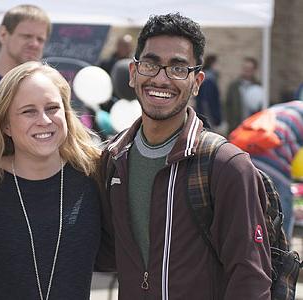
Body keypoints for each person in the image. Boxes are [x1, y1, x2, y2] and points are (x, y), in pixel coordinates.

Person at [97, 13, 271, 299]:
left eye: (178, 68)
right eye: (151, 65)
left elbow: (250, 278)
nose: (161, 78)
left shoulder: (226, 165)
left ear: (197, 81)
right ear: (133, 73)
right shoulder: (114, 160)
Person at [0, 61, 101, 299]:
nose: (44, 120)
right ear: (6, 124)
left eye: (52, 108)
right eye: (28, 111)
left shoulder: (94, 176)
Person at [238, 101, 303, 240]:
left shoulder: (287, 107)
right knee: (282, 208)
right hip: (271, 159)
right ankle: (281, 253)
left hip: (243, 154)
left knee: (250, 207)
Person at [0, 4, 51, 103]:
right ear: (3, 34)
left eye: (40, 39)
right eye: (27, 36)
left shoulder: (47, 86)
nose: (34, 44)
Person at [225, 56, 262, 133]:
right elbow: (228, 105)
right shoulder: (234, 86)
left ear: (254, 70)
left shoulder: (259, 86)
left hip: (253, 127)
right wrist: (230, 123)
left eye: (249, 69)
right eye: (245, 68)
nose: (247, 71)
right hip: (236, 126)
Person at [194, 54, 222, 128]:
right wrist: (213, 118)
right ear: (213, 64)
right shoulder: (209, 80)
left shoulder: (210, 78)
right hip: (208, 117)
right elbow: (206, 101)